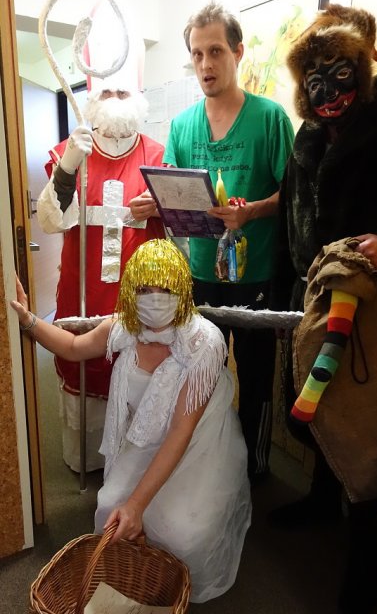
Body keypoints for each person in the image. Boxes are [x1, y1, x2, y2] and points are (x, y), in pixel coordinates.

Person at [270, 3, 377, 614]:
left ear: (362, 60)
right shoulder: (307, 139)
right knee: (316, 415)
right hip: (310, 302)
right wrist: (283, 291)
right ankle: (321, 501)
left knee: (366, 431)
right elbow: (291, 221)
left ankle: (367, 561)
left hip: (376, 313)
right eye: (313, 71)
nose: (327, 86)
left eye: (338, 64)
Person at [11, 238, 251, 603]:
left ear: (182, 290)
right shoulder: (125, 327)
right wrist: (29, 320)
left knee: (182, 532)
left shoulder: (204, 342)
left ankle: (172, 584)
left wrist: (137, 504)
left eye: (165, 289)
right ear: (130, 291)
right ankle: (141, 573)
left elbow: (181, 431)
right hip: (147, 439)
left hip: (198, 445)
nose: (155, 298)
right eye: (144, 289)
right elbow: (73, 348)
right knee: (110, 507)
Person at [159, 1, 294, 483]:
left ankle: (254, 470)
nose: (205, 64)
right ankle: (206, 461)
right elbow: (171, 186)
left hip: (256, 273)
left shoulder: (270, 119)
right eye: (197, 54)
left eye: (215, 51)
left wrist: (250, 211)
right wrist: (153, 202)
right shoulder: (182, 126)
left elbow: (293, 194)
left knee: (255, 376)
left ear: (237, 52)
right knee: (201, 373)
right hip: (200, 272)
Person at [37, 83, 166, 472]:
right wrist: (68, 167)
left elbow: (184, 228)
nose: (114, 100)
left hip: (139, 290)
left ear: (137, 98)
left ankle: (135, 460)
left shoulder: (158, 156)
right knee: (85, 360)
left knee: (138, 365)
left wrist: (160, 207)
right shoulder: (71, 151)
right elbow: (51, 221)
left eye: (123, 93)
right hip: (84, 286)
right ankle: (89, 461)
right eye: (106, 92)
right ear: (92, 99)